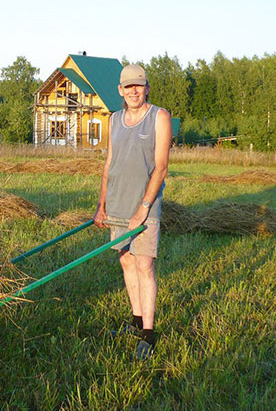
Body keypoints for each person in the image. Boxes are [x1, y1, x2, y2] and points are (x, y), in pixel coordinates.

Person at [93, 64, 172, 360]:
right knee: (126, 263)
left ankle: (148, 336)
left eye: (139, 85)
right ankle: (136, 321)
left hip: (144, 206)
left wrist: (143, 208)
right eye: (128, 87)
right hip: (116, 204)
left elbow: (161, 167)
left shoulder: (159, 117)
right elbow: (109, 165)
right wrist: (101, 206)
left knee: (144, 266)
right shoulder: (114, 119)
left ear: (147, 87)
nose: (134, 91)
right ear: (120, 91)